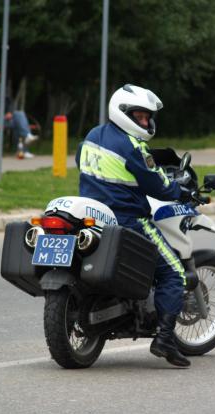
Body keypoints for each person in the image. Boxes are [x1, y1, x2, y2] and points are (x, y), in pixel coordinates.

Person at [76, 84, 192, 367]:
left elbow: (82, 159)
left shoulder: (93, 135)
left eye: (147, 116)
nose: (145, 122)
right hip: (128, 219)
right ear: (123, 112)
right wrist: (183, 192)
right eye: (140, 116)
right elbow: (158, 185)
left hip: (93, 215)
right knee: (174, 272)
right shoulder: (133, 147)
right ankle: (164, 338)